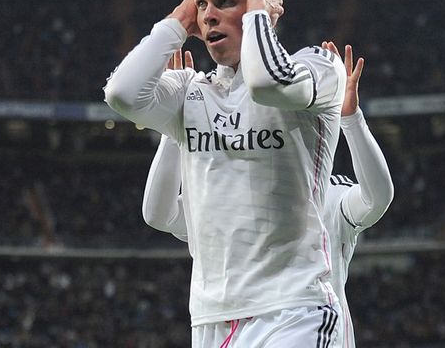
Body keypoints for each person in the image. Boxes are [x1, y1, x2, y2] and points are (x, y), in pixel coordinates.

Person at [104, 0, 347, 347]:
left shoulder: (319, 69)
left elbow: (267, 82)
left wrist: (257, 16)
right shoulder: (191, 92)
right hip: (210, 319)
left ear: (265, 2)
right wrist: (179, 21)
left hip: (295, 310)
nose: (209, 16)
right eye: (202, 4)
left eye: (225, 0)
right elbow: (122, 95)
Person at [142, 43, 394, 348]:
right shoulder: (228, 198)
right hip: (228, 328)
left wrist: (351, 120)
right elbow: (159, 214)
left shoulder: (331, 195)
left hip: (304, 329)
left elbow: (377, 198)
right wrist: (177, 125)